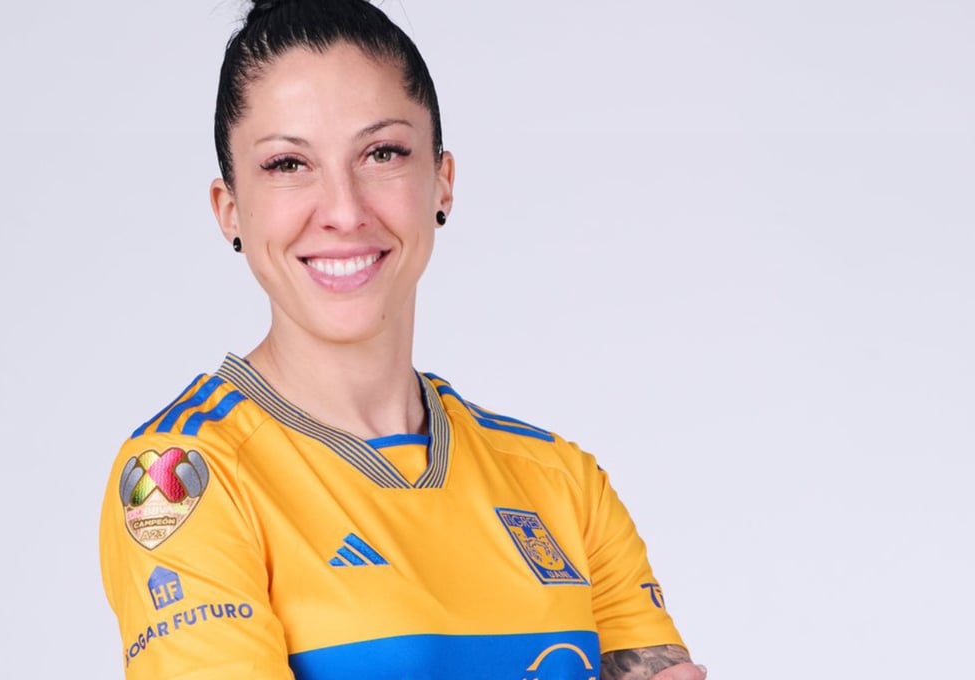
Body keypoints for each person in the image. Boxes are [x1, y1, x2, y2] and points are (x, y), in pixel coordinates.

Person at [99, 1, 706, 678]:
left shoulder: (560, 482)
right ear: (230, 209)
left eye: (381, 153)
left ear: (441, 182)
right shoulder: (182, 478)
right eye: (287, 164)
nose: (344, 210)